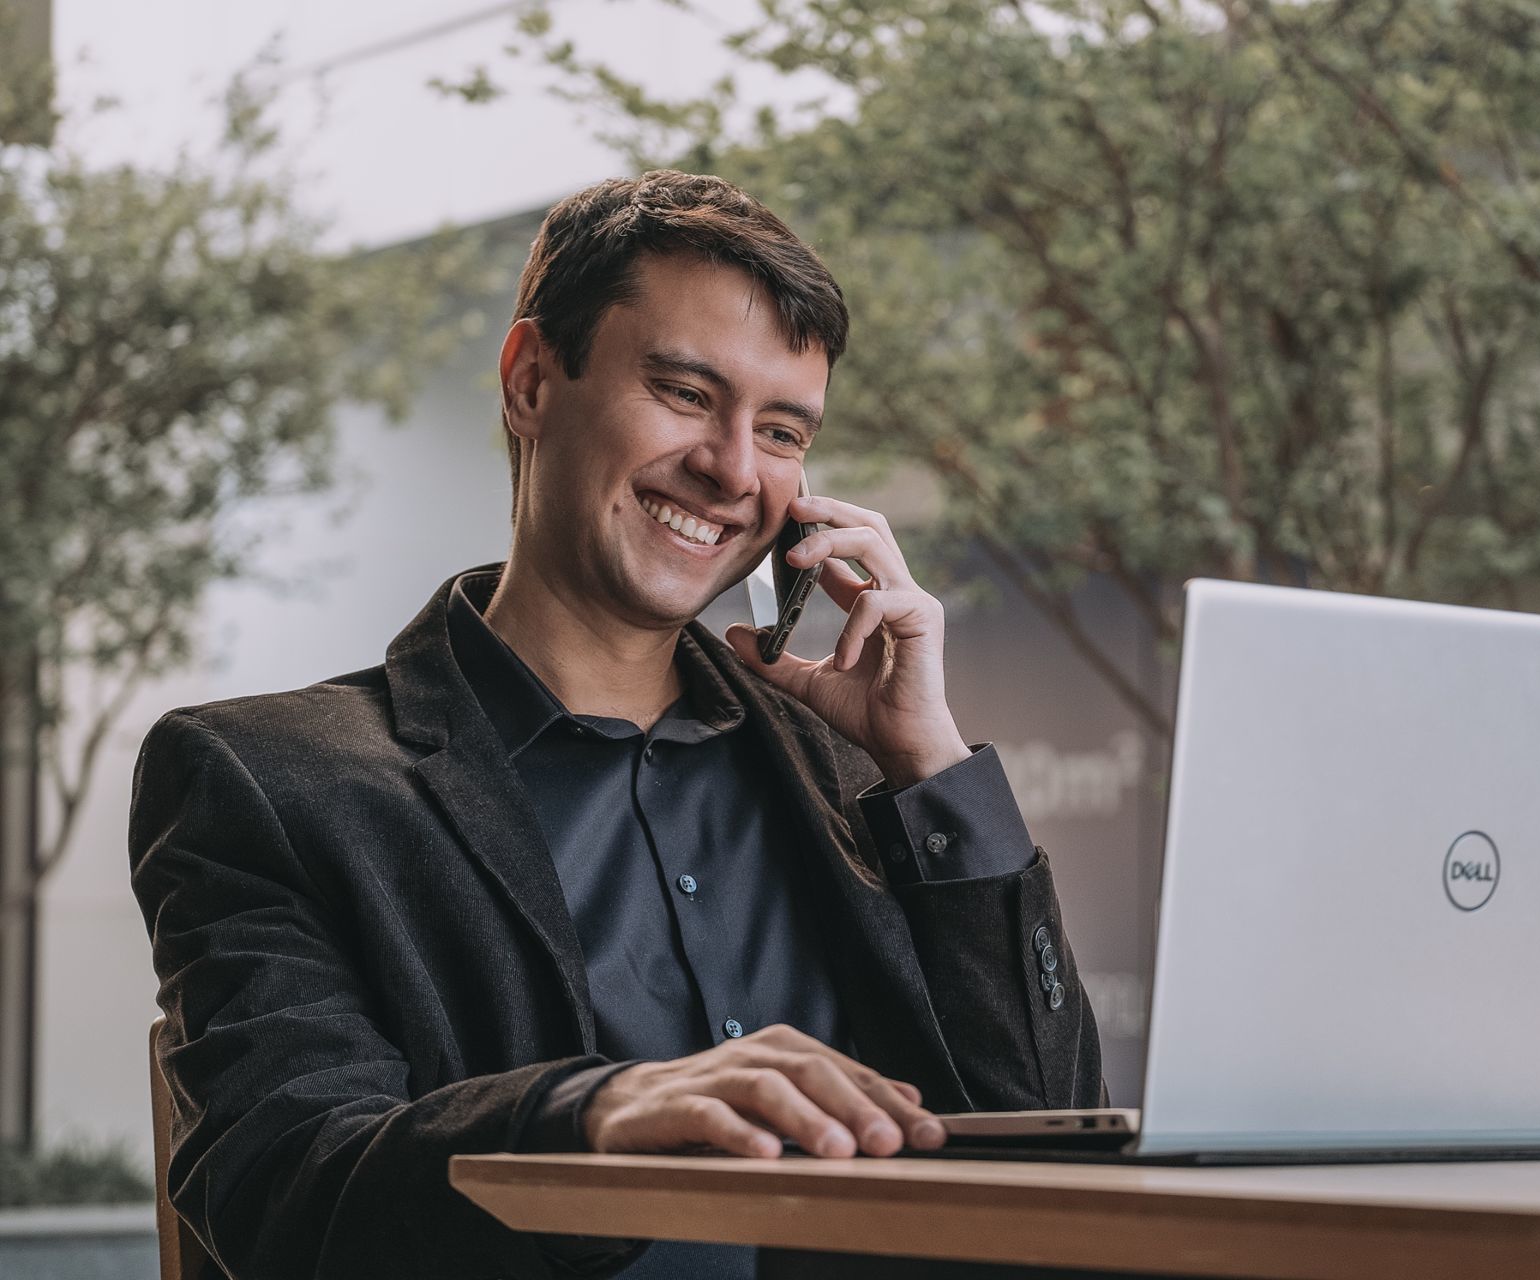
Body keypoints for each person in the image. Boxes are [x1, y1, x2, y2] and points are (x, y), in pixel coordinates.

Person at [130, 171, 1103, 1280]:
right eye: (685, 393)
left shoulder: (855, 772)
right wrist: (597, 1116)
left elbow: (1055, 1147)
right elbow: (287, 1192)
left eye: (782, 431)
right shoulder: (267, 782)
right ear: (531, 381)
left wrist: (929, 763)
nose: (733, 469)